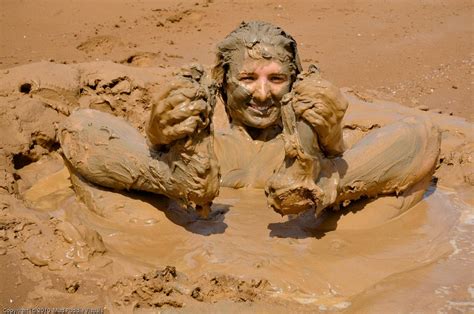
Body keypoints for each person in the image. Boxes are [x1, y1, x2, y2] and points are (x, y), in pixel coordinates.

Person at [60, 21, 440, 219]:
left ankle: (308, 180)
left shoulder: (313, 145)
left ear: (296, 82)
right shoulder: (210, 148)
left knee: (418, 132)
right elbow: (80, 128)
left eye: (276, 79)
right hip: (187, 181)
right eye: (247, 78)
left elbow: (422, 136)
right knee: (81, 125)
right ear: (222, 81)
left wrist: (330, 143)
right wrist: (158, 139)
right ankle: (171, 179)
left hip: (310, 179)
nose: (262, 94)